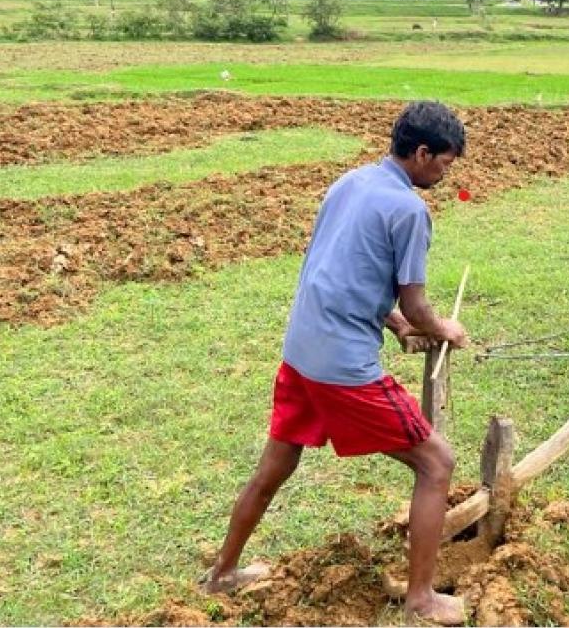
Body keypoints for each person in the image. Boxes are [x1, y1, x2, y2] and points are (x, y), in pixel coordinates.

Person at [200, 101, 469, 626]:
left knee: (275, 467)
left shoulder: (351, 182)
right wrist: (442, 329)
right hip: (342, 369)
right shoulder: (411, 211)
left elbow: (344, 272)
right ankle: (421, 599)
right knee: (437, 463)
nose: (445, 172)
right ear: (420, 153)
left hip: (302, 353)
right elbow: (417, 304)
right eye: (444, 163)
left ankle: (222, 574)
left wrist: (394, 327)